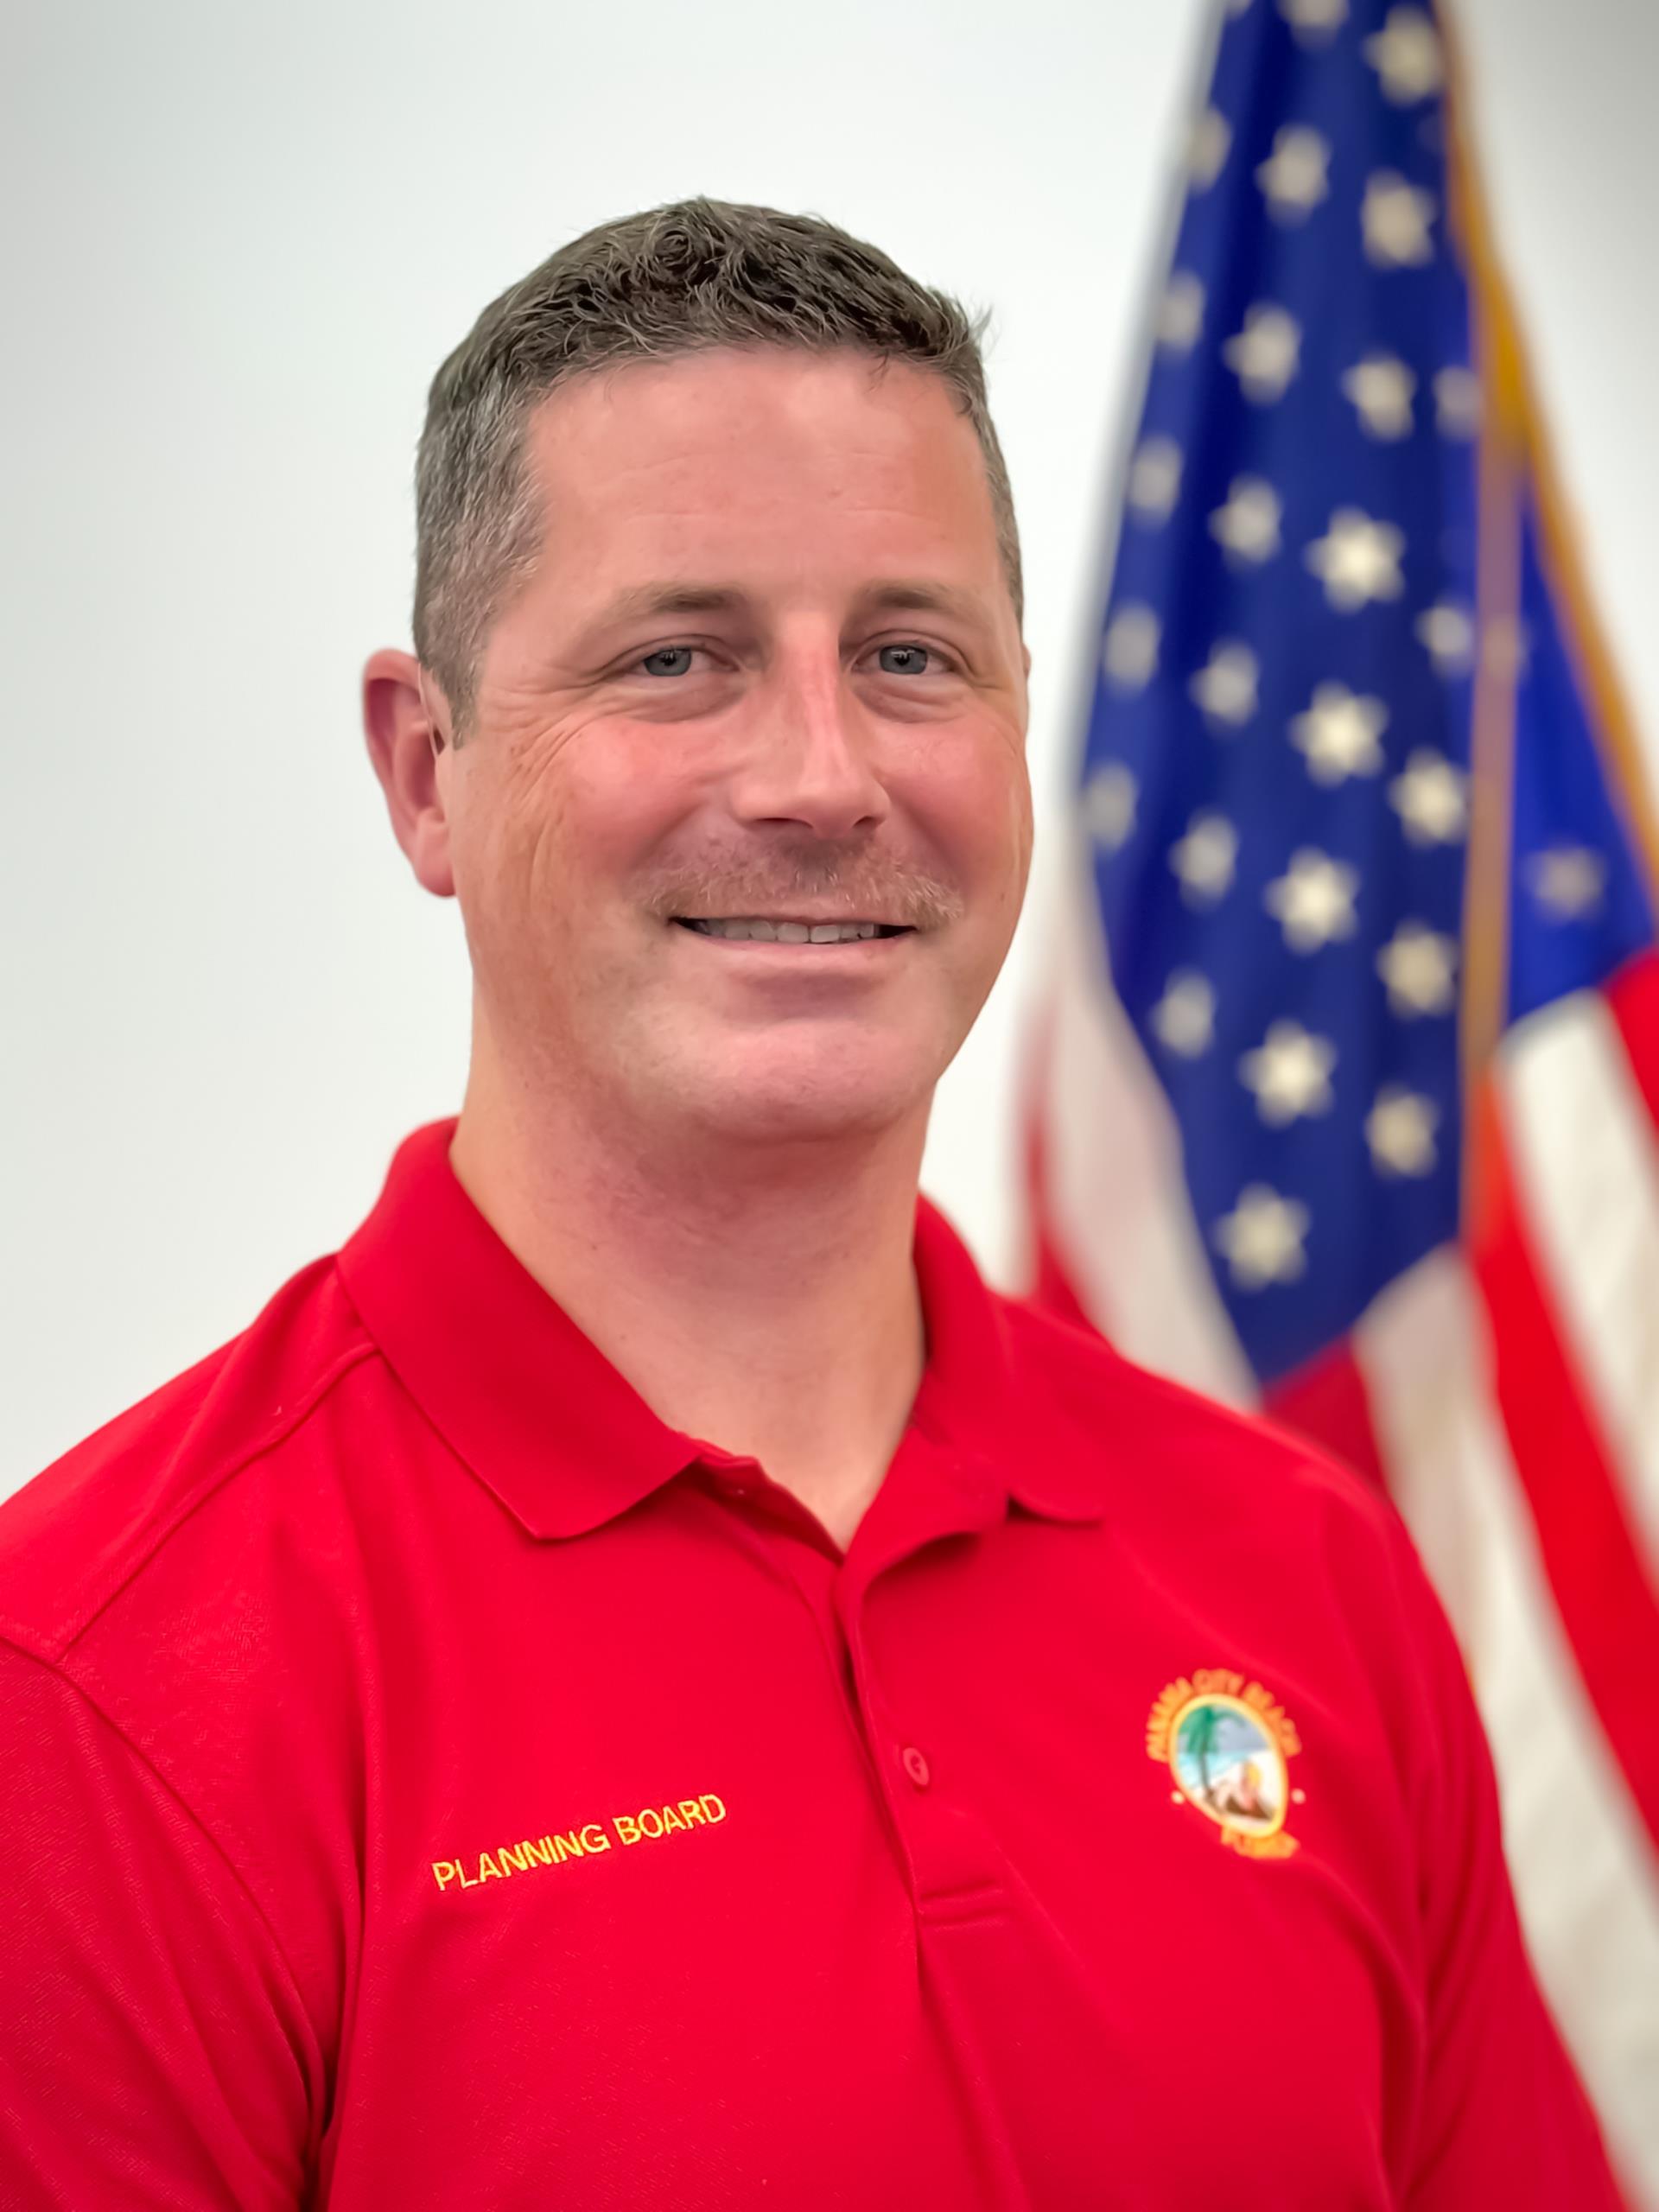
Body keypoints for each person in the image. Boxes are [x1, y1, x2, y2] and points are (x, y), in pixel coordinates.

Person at [0, 199, 1621, 2210]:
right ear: (427, 770)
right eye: (676, 657)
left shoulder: (1309, 1574)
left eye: (909, 654)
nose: (820, 774)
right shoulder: (93, 1689)